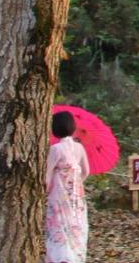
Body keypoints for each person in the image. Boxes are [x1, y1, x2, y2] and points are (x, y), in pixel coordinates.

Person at [44, 111, 89, 263]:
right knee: (75, 227)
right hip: (76, 196)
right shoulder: (79, 148)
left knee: (59, 228)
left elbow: (46, 178)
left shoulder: (55, 149)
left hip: (58, 196)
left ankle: (60, 259)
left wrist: (46, 192)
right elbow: (86, 171)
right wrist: (75, 183)